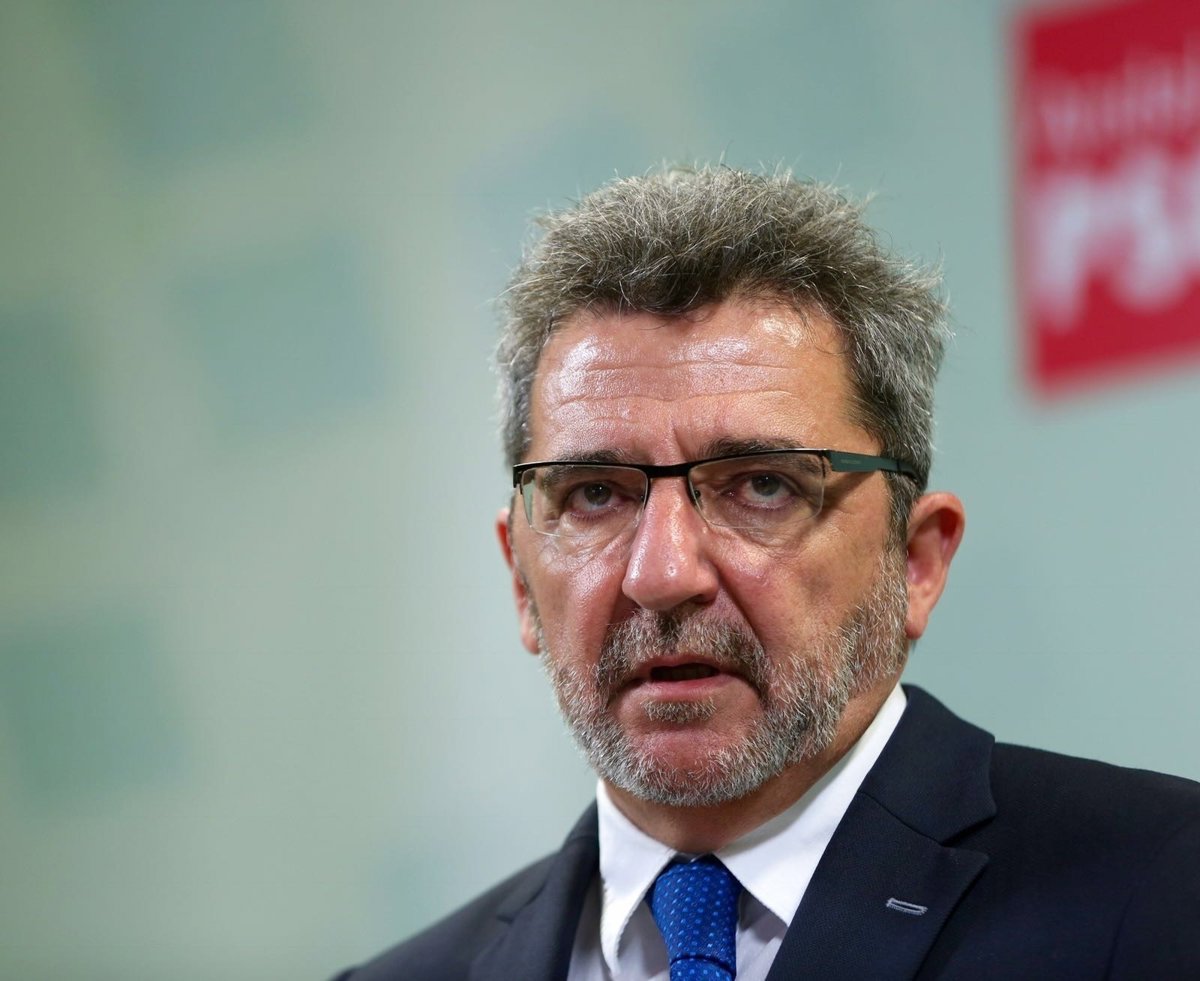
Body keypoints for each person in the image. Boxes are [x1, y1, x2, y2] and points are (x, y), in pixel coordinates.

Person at [333, 167, 1200, 980]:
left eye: (760, 486)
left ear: (916, 559)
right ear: (522, 582)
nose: (662, 573)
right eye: (595, 494)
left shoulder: (1163, 889)